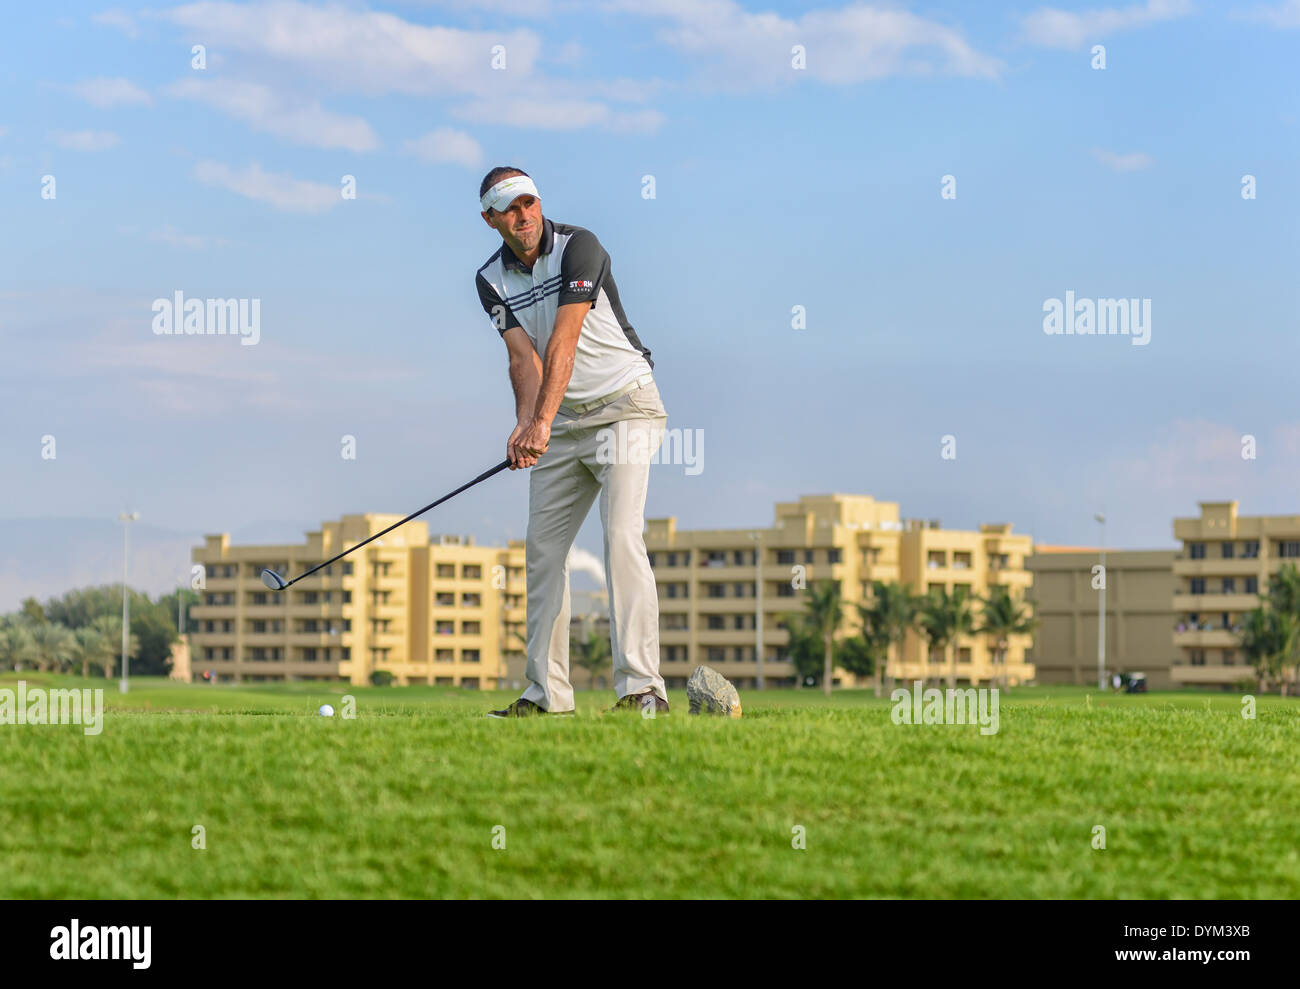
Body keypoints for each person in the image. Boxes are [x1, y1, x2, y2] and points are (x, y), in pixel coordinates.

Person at [473, 167, 670, 718]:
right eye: (509, 210)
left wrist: (541, 423)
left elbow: (564, 339)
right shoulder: (491, 278)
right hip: (562, 424)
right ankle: (546, 696)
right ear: (490, 219)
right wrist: (526, 426)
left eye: (529, 202)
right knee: (542, 552)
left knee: (620, 535)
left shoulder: (579, 247)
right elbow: (523, 358)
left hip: (624, 407)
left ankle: (641, 690)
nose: (523, 216)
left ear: (540, 202)